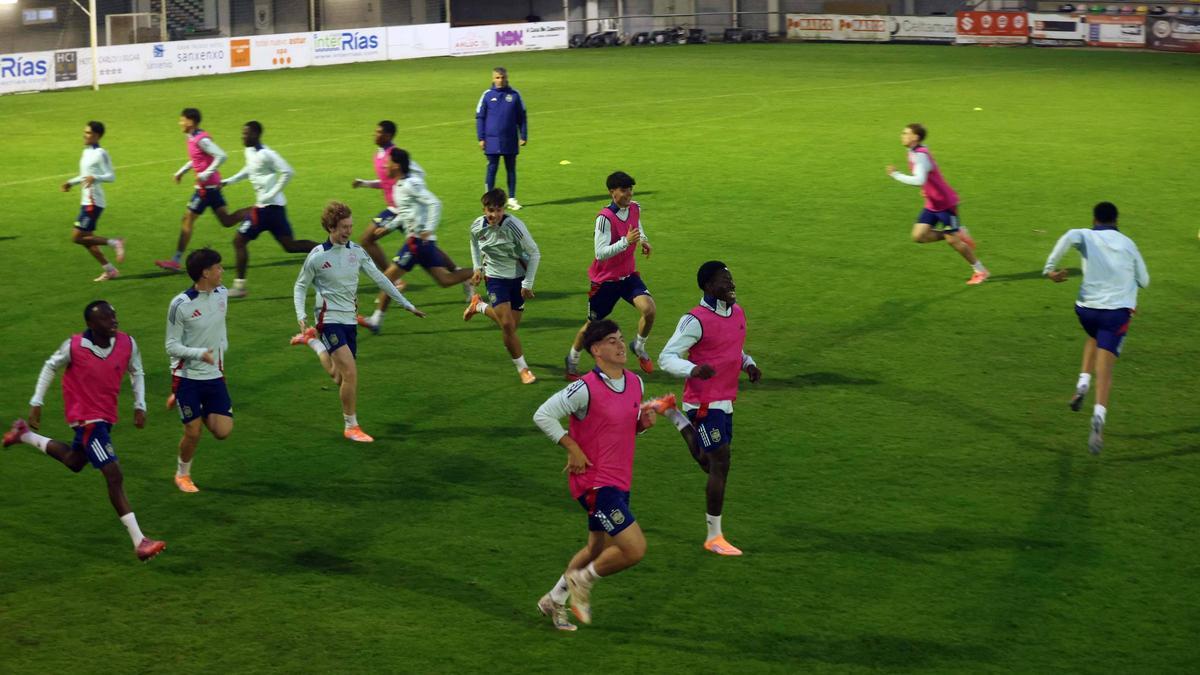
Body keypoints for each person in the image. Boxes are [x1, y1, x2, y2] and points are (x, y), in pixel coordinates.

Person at [532, 319, 674, 628]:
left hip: (620, 479)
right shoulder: (584, 388)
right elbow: (542, 414)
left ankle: (553, 600)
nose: (621, 345)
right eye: (612, 341)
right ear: (595, 350)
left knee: (596, 547)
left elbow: (619, 428)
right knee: (634, 549)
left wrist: (641, 425)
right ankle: (583, 580)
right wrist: (572, 447)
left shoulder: (635, 383)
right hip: (594, 483)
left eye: (621, 339)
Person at [2, 301, 165, 561]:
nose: (114, 321)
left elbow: (137, 372)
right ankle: (140, 541)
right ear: (91, 324)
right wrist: (36, 402)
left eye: (114, 316)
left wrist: (140, 404)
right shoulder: (75, 346)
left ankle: (23, 434)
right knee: (113, 474)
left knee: (74, 461)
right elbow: (50, 366)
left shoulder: (127, 343)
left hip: (106, 418)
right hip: (88, 420)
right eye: (106, 318)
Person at [292, 201, 427, 442]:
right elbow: (300, 286)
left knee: (339, 377)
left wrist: (406, 303)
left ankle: (313, 343)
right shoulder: (317, 256)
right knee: (351, 373)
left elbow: (382, 280)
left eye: (351, 226)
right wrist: (301, 315)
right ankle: (351, 426)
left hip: (349, 320)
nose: (348, 231)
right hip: (327, 319)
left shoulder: (357, 252)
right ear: (331, 227)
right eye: (344, 227)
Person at [658, 261, 762, 556]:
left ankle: (671, 413)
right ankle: (714, 537)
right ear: (706, 287)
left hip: (726, 399)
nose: (731, 285)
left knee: (709, 462)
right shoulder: (695, 320)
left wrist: (748, 364)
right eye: (723, 281)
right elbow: (666, 356)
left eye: (731, 279)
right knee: (720, 463)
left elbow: (732, 347)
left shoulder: (737, 312)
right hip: (703, 401)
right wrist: (692, 369)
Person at [1043, 201, 1149, 455]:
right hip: (1116, 314)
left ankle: (1082, 383)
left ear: (1094, 218)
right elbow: (1145, 281)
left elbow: (1068, 236)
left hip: (1086, 310)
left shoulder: (1085, 235)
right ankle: (1098, 417)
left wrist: (1049, 271)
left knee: (1094, 336)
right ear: (1117, 219)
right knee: (1107, 368)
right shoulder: (1128, 244)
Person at [358, 147, 473, 333]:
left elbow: (435, 202)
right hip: (416, 243)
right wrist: (388, 227)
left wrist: (428, 229)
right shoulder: (397, 187)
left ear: (396, 165)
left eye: (388, 162)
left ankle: (376, 320)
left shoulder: (411, 184)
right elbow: (404, 214)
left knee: (388, 279)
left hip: (418, 243)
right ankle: (480, 271)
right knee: (444, 280)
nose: (385, 165)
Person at [565, 171, 655, 380]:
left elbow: (637, 225)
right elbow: (600, 252)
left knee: (649, 310)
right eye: (624, 190)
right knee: (591, 327)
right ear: (612, 192)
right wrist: (626, 241)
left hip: (628, 276)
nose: (628, 194)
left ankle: (639, 347)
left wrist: (643, 240)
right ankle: (572, 360)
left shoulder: (635, 207)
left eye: (630, 189)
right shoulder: (604, 219)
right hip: (605, 282)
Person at [219, 121, 320, 298]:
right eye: (242, 133)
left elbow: (288, 171)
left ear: (256, 134)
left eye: (246, 134)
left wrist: (272, 192)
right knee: (289, 245)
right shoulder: (249, 151)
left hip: (266, 209)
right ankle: (326, 249)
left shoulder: (267, 154)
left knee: (239, 241)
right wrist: (228, 181)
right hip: (274, 209)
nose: (243, 137)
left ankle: (240, 287)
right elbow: (249, 170)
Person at [887, 123, 989, 285]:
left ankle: (980, 271)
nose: (902, 135)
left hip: (946, 204)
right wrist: (925, 188)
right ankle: (958, 232)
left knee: (953, 241)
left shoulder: (919, 155)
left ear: (915, 137)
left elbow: (920, 178)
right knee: (918, 236)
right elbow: (927, 175)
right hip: (932, 203)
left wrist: (896, 175)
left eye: (906, 133)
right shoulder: (915, 151)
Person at [165, 248, 233, 492]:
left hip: (214, 375)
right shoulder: (180, 305)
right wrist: (199, 354)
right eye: (218, 267)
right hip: (187, 377)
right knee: (193, 432)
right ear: (205, 273)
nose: (222, 271)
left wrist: (220, 348)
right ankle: (182, 474)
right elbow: (171, 346)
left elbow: (217, 327)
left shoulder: (222, 294)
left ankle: (192, 407)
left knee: (223, 431)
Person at [463, 188, 541, 384]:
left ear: (504, 210)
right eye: (490, 210)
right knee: (507, 325)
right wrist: (478, 268)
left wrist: (528, 283)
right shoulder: (477, 226)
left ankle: (478, 306)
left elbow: (534, 253)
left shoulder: (514, 226)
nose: (494, 215)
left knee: (511, 327)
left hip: (518, 278)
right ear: (484, 209)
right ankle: (523, 369)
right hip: (495, 278)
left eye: (498, 210)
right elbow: (473, 243)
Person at [156, 107, 240, 271]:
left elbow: (222, 155)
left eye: (182, 120)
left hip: (206, 189)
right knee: (226, 220)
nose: (180, 123)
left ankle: (176, 260)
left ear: (191, 122)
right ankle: (251, 214)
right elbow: (196, 160)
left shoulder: (202, 140)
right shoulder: (192, 137)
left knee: (187, 220)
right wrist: (181, 172)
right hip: (210, 187)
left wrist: (205, 174)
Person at [351, 120, 426, 273]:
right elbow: (385, 182)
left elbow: (419, 173)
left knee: (366, 239)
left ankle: (391, 280)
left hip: (401, 210)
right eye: (375, 131)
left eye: (379, 132)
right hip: (394, 208)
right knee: (426, 247)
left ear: (388, 135)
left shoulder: (395, 154)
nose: (375, 134)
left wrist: (412, 193)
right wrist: (364, 183)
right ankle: (458, 273)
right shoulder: (378, 155)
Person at [62, 121, 124, 282]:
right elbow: (85, 175)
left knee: (76, 237)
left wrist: (95, 177)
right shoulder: (86, 152)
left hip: (93, 202)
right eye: (85, 132)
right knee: (87, 241)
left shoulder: (101, 153)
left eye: (88, 133)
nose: (85, 135)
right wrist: (71, 182)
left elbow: (111, 176)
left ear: (97, 136)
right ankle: (110, 270)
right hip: (86, 201)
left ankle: (114, 242)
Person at [475, 67, 527, 211]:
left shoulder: (515, 95)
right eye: (497, 77)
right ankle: (487, 199)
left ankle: (511, 199)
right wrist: (481, 137)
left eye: (502, 77)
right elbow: (480, 117)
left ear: (506, 78)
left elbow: (522, 117)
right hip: (492, 140)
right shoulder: (487, 95)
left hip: (510, 139)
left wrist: (523, 135)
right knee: (492, 168)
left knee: (511, 169)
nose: (500, 80)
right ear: (493, 79)